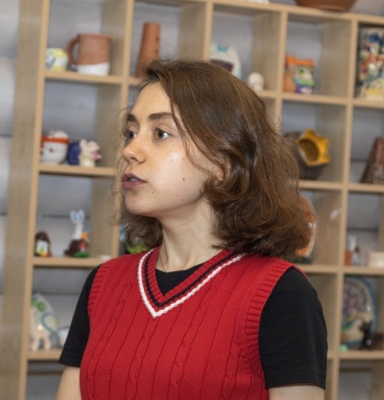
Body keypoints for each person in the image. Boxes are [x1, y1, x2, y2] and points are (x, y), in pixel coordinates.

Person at [56, 58, 327, 400]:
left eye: (161, 133)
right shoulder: (103, 284)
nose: (129, 150)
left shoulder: (282, 294)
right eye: (131, 133)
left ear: (223, 161)